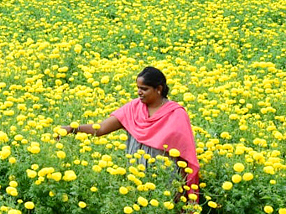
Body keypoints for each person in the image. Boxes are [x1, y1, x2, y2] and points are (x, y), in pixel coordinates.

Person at [59, 66, 199, 191]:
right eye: (138, 88)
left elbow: (185, 154)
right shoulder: (133, 108)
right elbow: (101, 129)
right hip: (135, 180)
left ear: (159, 89)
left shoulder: (176, 114)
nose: (139, 92)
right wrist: (72, 128)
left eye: (144, 89)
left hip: (164, 182)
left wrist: (182, 189)